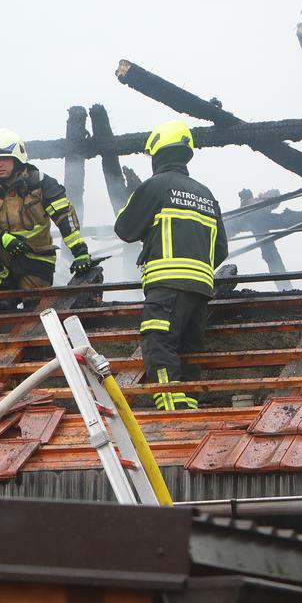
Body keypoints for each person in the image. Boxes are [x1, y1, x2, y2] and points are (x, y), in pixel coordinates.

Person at [113, 120, 227, 411]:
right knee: (188, 349)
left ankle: (169, 407)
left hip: (166, 287)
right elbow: (221, 249)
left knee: (158, 341)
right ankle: (188, 404)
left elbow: (125, 229)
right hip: (201, 289)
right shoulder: (206, 194)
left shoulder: (156, 186)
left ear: (157, 154)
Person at [0, 129, 93, 311]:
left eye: (4, 159)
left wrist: (80, 253)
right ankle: (7, 293)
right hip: (3, 256)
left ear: (17, 159)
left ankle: (23, 298)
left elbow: (65, 218)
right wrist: (2, 238)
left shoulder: (42, 184)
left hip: (36, 258)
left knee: (35, 308)